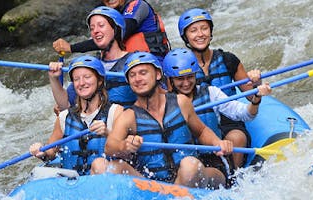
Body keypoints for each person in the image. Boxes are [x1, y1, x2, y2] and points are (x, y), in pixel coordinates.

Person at [97, 52, 233, 189]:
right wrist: (124, 146)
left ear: (157, 74)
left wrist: (217, 142)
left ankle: (174, 197)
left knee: (190, 165)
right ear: (128, 81)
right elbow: (110, 147)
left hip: (192, 177)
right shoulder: (128, 116)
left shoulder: (181, 102)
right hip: (154, 186)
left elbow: (202, 131)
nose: (137, 79)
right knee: (113, 167)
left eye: (143, 72)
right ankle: (169, 198)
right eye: (132, 75)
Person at [162, 48, 271, 180]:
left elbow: (245, 114)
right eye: (180, 79)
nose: (186, 83)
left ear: (195, 75)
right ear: (170, 80)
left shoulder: (211, 93)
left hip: (213, 161)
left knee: (196, 171)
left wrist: (256, 99)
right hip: (181, 163)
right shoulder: (163, 103)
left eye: (190, 77)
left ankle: (231, 180)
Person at [178, 7, 265, 168]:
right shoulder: (180, 66)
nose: (200, 34)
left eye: (204, 28)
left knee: (237, 138)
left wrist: (256, 84)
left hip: (229, 120)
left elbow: (251, 96)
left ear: (211, 32)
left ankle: (233, 177)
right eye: (193, 31)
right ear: (186, 37)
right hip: (198, 121)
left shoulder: (228, 60)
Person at [52, 0, 171, 61]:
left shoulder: (138, 6)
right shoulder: (106, 16)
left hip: (152, 67)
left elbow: (118, 34)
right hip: (127, 70)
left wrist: (71, 47)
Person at [30, 55, 124, 175]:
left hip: (103, 182)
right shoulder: (64, 117)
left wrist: (108, 133)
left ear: (100, 81)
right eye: (76, 79)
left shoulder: (115, 112)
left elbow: (126, 151)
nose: (82, 83)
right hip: (73, 184)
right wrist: (41, 151)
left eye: (87, 77)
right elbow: (51, 152)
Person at [51, 6, 135, 111]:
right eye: (92, 28)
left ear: (116, 29)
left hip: (126, 122)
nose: (95, 31)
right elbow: (66, 105)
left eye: (101, 25)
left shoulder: (134, 62)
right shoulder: (88, 65)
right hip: (95, 124)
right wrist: (54, 79)